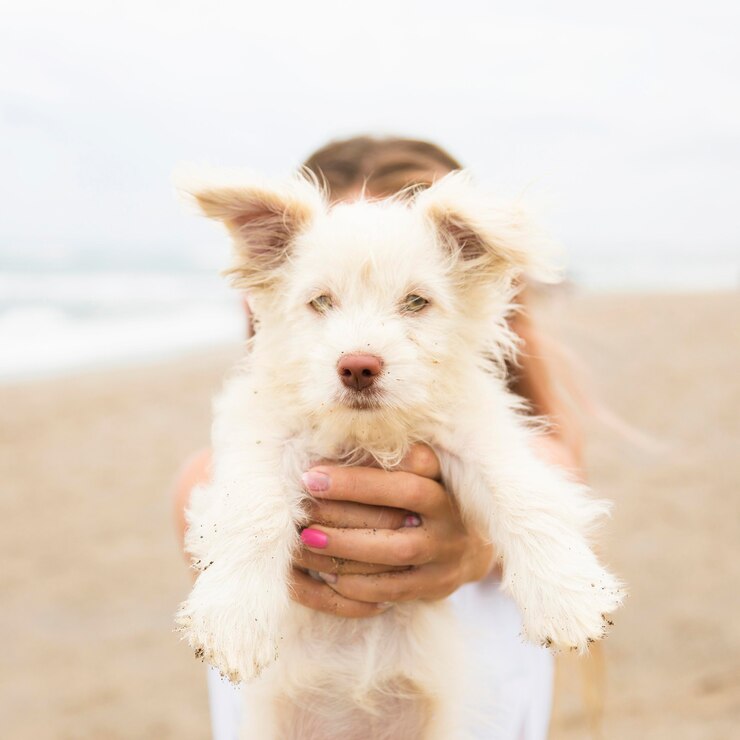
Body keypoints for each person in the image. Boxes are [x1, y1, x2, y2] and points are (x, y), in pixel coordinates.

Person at [172, 135, 584, 739]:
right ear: (267, 289)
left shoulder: (486, 417)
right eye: (322, 300)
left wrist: (480, 544)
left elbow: (540, 470)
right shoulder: (257, 423)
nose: (360, 349)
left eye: (414, 301)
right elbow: (211, 485)